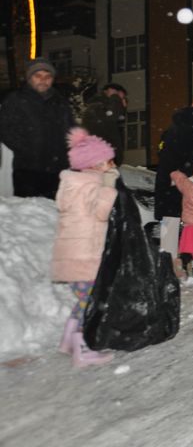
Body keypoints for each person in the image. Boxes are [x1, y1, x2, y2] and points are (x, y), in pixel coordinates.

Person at [52, 128, 118, 367]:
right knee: (88, 302)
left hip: (71, 255)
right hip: (85, 255)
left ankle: (68, 342)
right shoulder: (91, 184)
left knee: (82, 299)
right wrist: (109, 186)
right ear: (93, 164)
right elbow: (100, 213)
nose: (110, 165)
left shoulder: (71, 183)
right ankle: (82, 348)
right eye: (106, 161)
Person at [154, 97, 193, 278]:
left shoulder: (174, 125)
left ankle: (168, 265)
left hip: (166, 178)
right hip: (189, 180)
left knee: (169, 220)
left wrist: (172, 172)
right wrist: (185, 177)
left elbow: (161, 150)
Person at [0, 58, 74, 199]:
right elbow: (5, 129)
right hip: (28, 169)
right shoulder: (16, 100)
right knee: (31, 214)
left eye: (48, 77)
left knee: (55, 213)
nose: (43, 80)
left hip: (58, 168)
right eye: (38, 76)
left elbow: (70, 129)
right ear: (29, 78)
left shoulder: (60, 102)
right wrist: (27, 148)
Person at [81, 83, 128, 165]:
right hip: (100, 159)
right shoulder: (97, 107)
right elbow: (111, 115)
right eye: (121, 98)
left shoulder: (103, 108)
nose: (123, 101)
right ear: (110, 92)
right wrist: (115, 97)